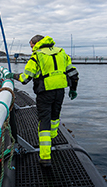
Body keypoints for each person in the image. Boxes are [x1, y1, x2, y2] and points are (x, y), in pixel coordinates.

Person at [6, 35, 79, 167]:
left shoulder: (37, 56)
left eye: (31, 46)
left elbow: (25, 79)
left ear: (36, 43)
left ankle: (45, 157)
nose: (31, 49)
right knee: (55, 117)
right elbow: (73, 74)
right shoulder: (62, 53)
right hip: (60, 92)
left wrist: (12, 76)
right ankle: (53, 139)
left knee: (44, 121)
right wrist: (73, 89)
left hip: (45, 93)